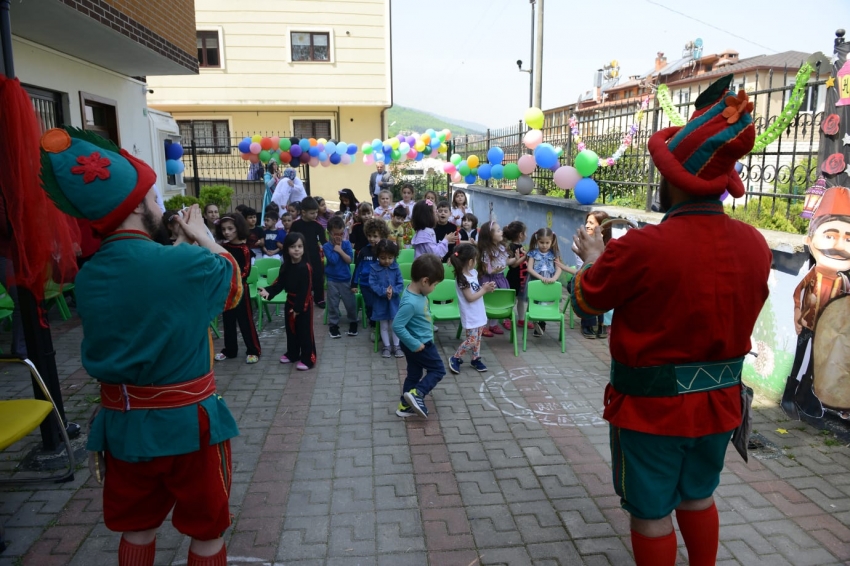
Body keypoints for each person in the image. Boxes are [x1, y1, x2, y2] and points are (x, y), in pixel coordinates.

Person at [570, 75, 771, 566]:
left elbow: (587, 303)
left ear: (669, 179)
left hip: (651, 412)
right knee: (698, 497)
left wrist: (595, 260)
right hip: (720, 406)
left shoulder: (640, 247)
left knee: (651, 513)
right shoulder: (755, 245)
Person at [38, 126, 243, 566]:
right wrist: (203, 238)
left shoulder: (90, 275)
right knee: (207, 531)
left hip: (123, 425)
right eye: (151, 198)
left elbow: (147, 290)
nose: (157, 205)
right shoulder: (184, 262)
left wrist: (180, 251)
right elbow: (230, 287)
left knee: (137, 527)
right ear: (133, 206)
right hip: (188, 426)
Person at [780, 187, 850, 419]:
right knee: (800, 358)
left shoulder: (844, 281)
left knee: (815, 364)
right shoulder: (812, 274)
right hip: (808, 323)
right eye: (830, 235)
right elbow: (798, 294)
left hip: (827, 332)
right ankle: (789, 395)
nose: (838, 245)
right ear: (810, 240)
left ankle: (805, 395)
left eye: (848, 238)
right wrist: (797, 314)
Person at [393, 253, 446, 418]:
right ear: (424, 281)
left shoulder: (416, 292)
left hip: (415, 343)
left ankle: (405, 405)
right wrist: (414, 343)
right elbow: (397, 326)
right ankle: (418, 393)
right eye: (435, 285)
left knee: (414, 374)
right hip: (420, 344)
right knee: (438, 370)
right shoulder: (411, 302)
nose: (434, 288)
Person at [259, 232, 316, 370]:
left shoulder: (305, 267)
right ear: (287, 249)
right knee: (291, 330)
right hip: (289, 302)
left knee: (304, 332)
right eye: (293, 246)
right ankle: (293, 353)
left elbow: (305, 290)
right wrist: (269, 291)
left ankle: (308, 358)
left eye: (300, 246)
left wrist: (298, 309)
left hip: (303, 305)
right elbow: (279, 283)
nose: (297, 249)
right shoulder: (286, 266)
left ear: (304, 248)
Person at [214, 214, 261, 364]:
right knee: (228, 321)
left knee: (245, 320)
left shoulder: (244, 249)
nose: (227, 232)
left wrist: (231, 278)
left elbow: (245, 272)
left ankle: (254, 350)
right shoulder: (223, 248)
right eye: (224, 229)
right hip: (227, 290)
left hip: (241, 289)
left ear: (238, 228)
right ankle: (230, 350)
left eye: (230, 228)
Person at [447, 243, 495, 374]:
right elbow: (470, 298)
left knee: (478, 338)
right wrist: (484, 290)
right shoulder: (462, 279)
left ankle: (475, 359)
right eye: (475, 259)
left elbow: (475, 291)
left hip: (478, 312)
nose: (476, 262)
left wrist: (486, 287)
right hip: (470, 314)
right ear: (470, 261)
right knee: (472, 340)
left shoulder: (472, 273)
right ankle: (455, 357)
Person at [477, 221, 520, 337]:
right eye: (498, 230)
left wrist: (515, 259)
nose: (501, 232)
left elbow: (506, 262)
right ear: (490, 235)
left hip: (500, 278)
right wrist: (493, 271)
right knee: (487, 301)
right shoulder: (486, 251)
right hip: (489, 279)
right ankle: (483, 325)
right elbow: (485, 268)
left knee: (499, 300)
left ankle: (493, 324)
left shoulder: (501, 248)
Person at [573, 211, 611, 339]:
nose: (587, 226)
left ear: (602, 227)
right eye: (587, 222)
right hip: (579, 278)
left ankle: (602, 323)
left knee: (605, 288)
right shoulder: (580, 243)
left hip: (600, 279)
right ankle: (587, 324)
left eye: (592, 223)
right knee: (589, 288)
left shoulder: (610, 244)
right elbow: (584, 267)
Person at [323, 216, 359, 339]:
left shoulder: (347, 244)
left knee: (350, 303)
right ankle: (333, 324)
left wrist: (339, 249)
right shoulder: (326, 247)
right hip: (332, 280)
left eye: (341, 233)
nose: (338, 236)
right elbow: (332, 261)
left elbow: (349, 260)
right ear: (329, 233)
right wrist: (336, 249)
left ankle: (353, 321)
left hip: (345, 279)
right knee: (333, 303)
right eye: (335, 234)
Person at [351, 219, 389, 331]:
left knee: (381, 305)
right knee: (370, 305)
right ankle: (373, 325)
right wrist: (354, 284)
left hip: (381, 284)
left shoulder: (386, 250)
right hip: (365, 284)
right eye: (369, 235)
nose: (371, 238)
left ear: (382, 236)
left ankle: (381, 326)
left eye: (375, 236)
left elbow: (392, 267)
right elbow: (357, 268)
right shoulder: (363, 251)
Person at [369, 239, 404, 358]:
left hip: (394, 302)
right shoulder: (374, 268)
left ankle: (397, 346)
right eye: (383, 258)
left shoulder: (396, 268)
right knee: (383, 325)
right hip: (380, 302)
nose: (387, 261)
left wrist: (393, 291)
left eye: (390, 258)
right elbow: (372, 284)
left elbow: (400, 284)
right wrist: (384, 292)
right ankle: (386, 346)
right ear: (378, 256)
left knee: (395, 325)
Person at [290, 197, 326, 308]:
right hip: (299, 256)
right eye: (312, 213)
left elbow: (324, 242)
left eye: (316, 212)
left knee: (318, 277)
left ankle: (319, 299)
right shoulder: (296, 225)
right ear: (303, 212)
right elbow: (290, 240)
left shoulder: (318, 226)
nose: (315, 215)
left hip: (314, 255)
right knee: (301, 277)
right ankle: (303, 297)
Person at [526, 227, 563, 338]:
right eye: (541, 242)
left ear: (552, 241)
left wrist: (554, 279)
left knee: (544, 302)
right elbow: (529, 268)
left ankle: (541, 323)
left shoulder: (554, 253)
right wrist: (540, 277)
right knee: (534, 301)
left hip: (549, 281)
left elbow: (559, 268)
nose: (544, 245)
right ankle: (535, 320)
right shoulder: (533, 253)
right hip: (536, 280)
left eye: (547, 242)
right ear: (537, 241)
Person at [502, 221, 532, 332]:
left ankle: (521, 319)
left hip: (522, 278)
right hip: (514, 278)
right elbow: (514, 265)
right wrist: (525, 257)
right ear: (520, 235)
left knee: (520, 299)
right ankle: (506, 319)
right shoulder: (512, 247)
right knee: (511, 299)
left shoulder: (520, 247)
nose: (526, 235)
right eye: (525, 233)